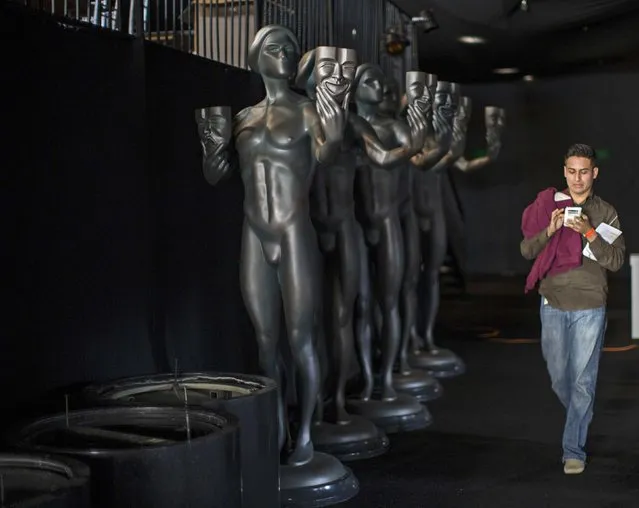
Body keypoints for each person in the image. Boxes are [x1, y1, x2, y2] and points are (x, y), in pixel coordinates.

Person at [520, 143, 625, 475]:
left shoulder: (605, 211)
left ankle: (573, 450)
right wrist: (550, 230)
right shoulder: (549, 205)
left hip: (591, 306)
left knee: (583, 383)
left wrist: (589, 232)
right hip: (552, 302)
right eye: (571, 171)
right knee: (559, 379)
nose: (577, 179)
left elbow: (617, 260)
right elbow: (526, 251)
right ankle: (580, 416)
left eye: (584, 172)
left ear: (594, 173)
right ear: (564, 171)